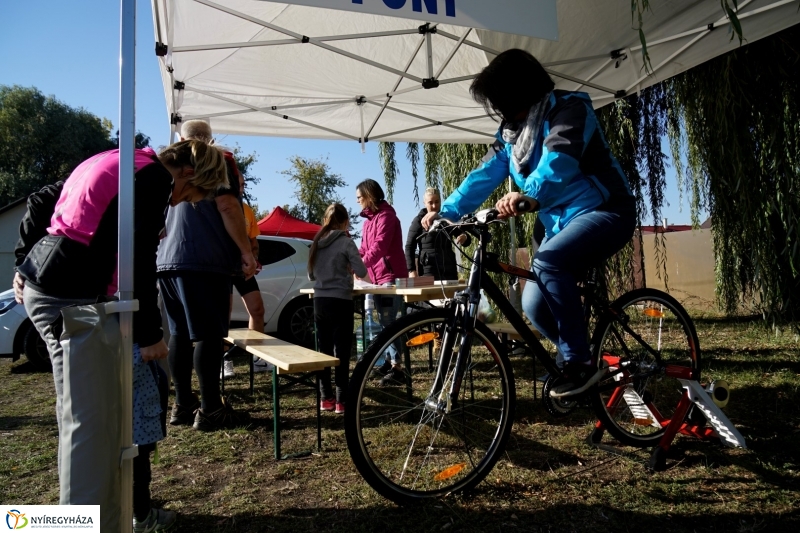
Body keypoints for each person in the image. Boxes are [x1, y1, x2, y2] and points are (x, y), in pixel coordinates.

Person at [15, 140, 229, 531]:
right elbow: (140, 259)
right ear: (188, 174)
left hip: (54, 286)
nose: (181, 202)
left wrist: (24, 261)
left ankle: (109, 516)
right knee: (88, 429)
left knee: (90, 422)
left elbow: (45, 197)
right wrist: (150, 335)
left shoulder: (120, 159)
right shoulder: (150, 178)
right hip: (69, 300)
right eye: (191, 194)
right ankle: (73, 524)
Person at [422, 49, 636, 396]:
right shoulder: (511, 133)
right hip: (557, 223)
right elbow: (484, 174)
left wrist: (530, 194)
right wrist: (447, 212)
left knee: (550, 262)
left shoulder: (570, 109)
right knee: (535, 305)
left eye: (503, 101)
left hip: (605, 210)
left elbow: (559, 160)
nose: (502, 112)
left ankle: (577, 364)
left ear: (522, 91)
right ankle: (588, 359)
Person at [158, 119, 257, 432]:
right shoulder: (217, 160)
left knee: (179, 334)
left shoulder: (169, 165)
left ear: (181, 138)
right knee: (209, 335)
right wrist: (245, 251)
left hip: (168, 261)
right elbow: (228, 207)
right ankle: (211, 408)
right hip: (205, 259)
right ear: (210, 139)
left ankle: (183, 404)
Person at [308, 203, 367, 414]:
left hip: (319, 301)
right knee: (341, 350)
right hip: (341, 300)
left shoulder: (317, 241)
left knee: (323, 350)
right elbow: (361, 270)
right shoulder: (345, 242)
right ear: (345, 222)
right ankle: (342, 400)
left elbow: (311, 275)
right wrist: (348, 269)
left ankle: (326, 397)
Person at [356, 179, 408, 386]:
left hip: (391, 276)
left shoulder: (387, 216)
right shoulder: (367, 222)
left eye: (360, 197)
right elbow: (363, 249)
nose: (358, 201)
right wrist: (351, 262)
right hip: (376, 279)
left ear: (370, 196)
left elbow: (380, 247)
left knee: (388, 321)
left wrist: (360, 266)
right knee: (384, 320)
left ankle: (398, 369)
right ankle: (389, 360)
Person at [222, 161, 268, 379]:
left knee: (257, 310)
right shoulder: (221, 204)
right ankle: (223, 362)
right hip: (222, 268)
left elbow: (253, 241)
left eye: (243, 184)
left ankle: (258, 358)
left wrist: (254, 258)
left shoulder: (247, 210)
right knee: (223, 317)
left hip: (244, 269)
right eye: (238, 183)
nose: (242, 187)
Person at [404, 187, 460, 280]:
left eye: (437, 202)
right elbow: (409, 246)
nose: (434, 206)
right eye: (430, 202)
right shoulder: (418, 221)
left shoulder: (446, 219)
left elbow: (464, 238)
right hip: (428, 271)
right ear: (424, 203)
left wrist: (463, 237)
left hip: (449, 271)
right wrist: (411, 270)